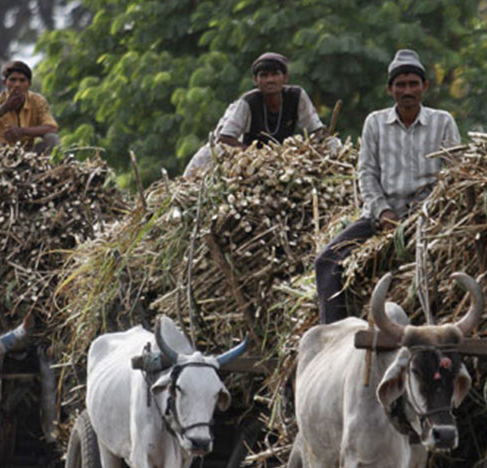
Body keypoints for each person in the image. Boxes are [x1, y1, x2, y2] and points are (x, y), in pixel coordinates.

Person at [314, 49, 461, 324]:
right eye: (401, 85)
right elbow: (367, 173)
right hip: (381, 218)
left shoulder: (442, 121)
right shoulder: (375, 123)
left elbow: (454, 175)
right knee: (327, 262)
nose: (407, 90)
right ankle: (335, 334)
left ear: (424, 87)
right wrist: (383, 213)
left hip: (429, 219)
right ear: (390, 89)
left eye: (413, 84)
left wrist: (425, 212)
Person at [183, 52, 326, 177]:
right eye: (264, 76)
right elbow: (225, 138)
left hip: (281, 163)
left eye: (275, 74)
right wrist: (257, 157)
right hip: (248, 164)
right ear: (256, 81)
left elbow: (316, 129)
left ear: (285, 78)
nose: (270, 80)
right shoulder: (248, 102)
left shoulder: (297, 96)